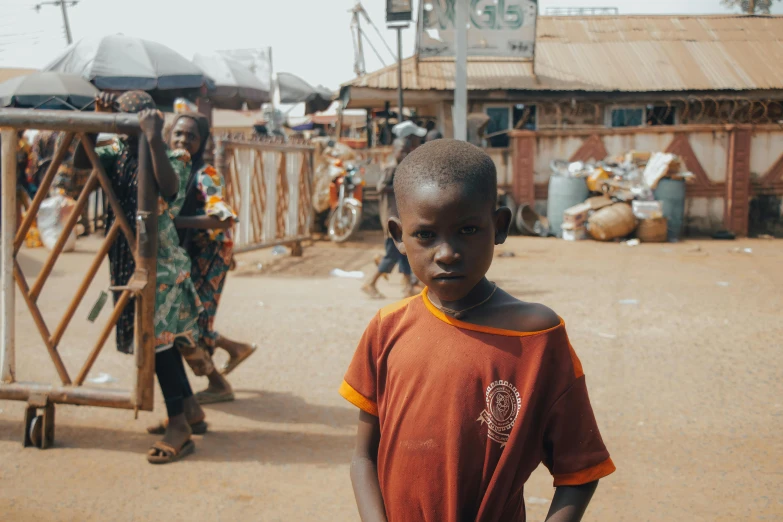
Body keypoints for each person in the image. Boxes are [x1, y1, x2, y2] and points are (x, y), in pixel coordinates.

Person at [340, 139, 615, 521]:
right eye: (425, 235)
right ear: (397, 237)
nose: (447, 253)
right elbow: (362, 457)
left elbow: (580, 470)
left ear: (499, 227)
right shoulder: (387, 329)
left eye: (467, 230)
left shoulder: (536, 338)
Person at [75, 91, 205, 464]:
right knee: (155, 339)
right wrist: (95, 121)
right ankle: (191, 408)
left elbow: (168, 188)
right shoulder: (116, 150)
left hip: (158, 261)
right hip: (125, 256)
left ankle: (179, 423)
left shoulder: (174, 156)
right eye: (121, 121)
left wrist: (152, 137)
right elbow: (83, 162)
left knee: (158, 342)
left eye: (130, 121)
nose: (125, 128)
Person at [163, 112, 256, 406]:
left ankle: (219, 383)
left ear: (201, 141)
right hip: (186, 256)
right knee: (188, 322)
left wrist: (181, 221)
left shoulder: (206, 174)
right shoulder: (169, 167)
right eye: (178, 134)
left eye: (191, 136)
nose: (183, 140)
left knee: (191, 324)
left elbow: (222, 218)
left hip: (210, 255)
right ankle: (235, 349)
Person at [361, 121, 426, 300]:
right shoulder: (391, 168)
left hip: (401, 217)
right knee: (392, 254)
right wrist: (400, 187)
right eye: (402, 151)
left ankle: (408, 286)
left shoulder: (402, 168)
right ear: (395, 151)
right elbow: (381, 187)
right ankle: (370, 283)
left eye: (407, 151)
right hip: (392, 218)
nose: (405, 154)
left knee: (404, 251)